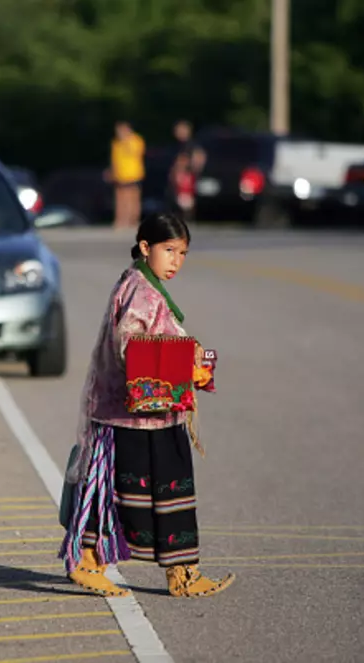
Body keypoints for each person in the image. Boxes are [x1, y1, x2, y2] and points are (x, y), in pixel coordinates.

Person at [58, 211, 235, 599]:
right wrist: (183, 361)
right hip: (135, 416)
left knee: (160, 493)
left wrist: (192, 362)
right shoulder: (142, 289)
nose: (176, 261)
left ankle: (180, 573)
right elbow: (130, 344)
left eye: (183, 253)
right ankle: (90, 560)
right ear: (145, 247)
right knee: (126, 494)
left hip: (150, 416)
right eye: (169, 250)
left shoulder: (144, 283)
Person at [107, 121, 146, 229]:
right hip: (119, 174)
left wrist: (126, 141)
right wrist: (111, 171)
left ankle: (133, 220)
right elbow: (114, 159)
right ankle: (120, 219)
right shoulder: (115, 143)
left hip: (133, 174)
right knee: (120, 198)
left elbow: (137, 152)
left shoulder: (136, 140)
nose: (119, 133)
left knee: (132, 198)